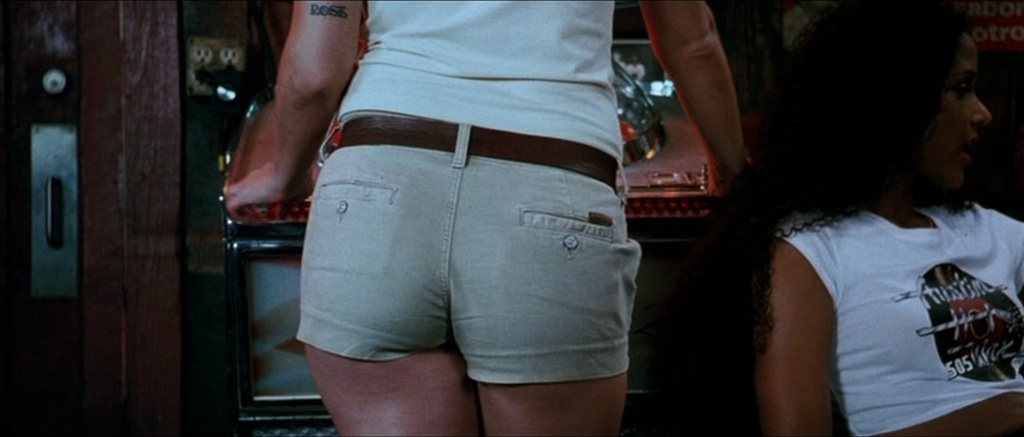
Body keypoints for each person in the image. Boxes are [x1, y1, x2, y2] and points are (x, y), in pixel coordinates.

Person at [225, 0, 746, 434]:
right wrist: (731, 172)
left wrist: (286, 174)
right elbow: (692, 42)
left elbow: (315, 75)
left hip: (378, 189)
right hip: (552, 192)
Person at [652, 1, 1024, 435]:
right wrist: (993, 418)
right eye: (961, 89)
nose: (982, 113)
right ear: (898, 98)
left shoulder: (988, 230)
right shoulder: (809, 248)